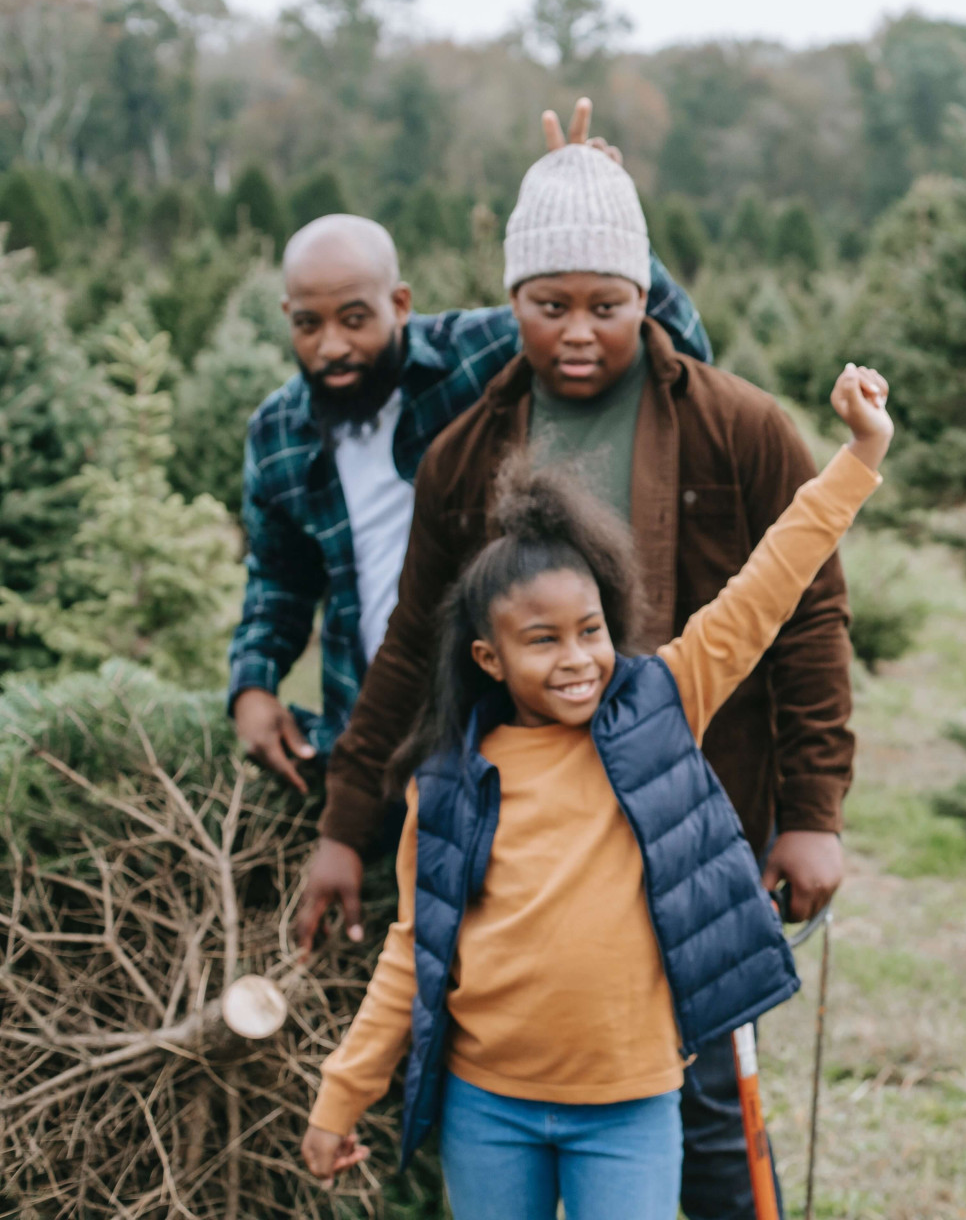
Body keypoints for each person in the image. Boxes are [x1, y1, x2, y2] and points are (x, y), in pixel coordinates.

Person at [305, 133, 858, 1218]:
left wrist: (813, 810)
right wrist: (345, 818)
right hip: (531, 813)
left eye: (607, 303)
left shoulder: (736, 425)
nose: (577, 330)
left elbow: (800, 613)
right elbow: (416, 643)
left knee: (704, 1098)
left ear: (646, 294)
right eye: (548, 303)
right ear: (512, 299)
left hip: (703, 812)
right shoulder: (468, 452)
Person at [228, 101, 708, 800]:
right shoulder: (278, 432)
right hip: (373, 720)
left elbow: (673, 352)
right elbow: (277, 579)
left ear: (399, 302)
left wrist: (601, 228)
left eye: (355, 319)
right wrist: (252, 683)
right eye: (309, 325)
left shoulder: (478, 353)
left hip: (503, 718)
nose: (332, 345)